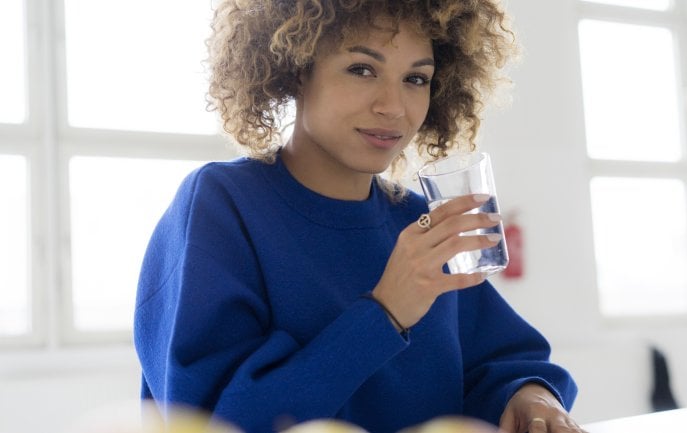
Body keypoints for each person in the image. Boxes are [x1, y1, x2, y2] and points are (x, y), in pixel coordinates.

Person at [134, 1, 586, 432]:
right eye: (362, 69)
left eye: (416, 78)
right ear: (296, 68)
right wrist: (386, 312)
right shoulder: (221, 206)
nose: (393, 107)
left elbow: (500, 362)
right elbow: (216, 423)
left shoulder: (419, 223)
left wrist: (530, 397)